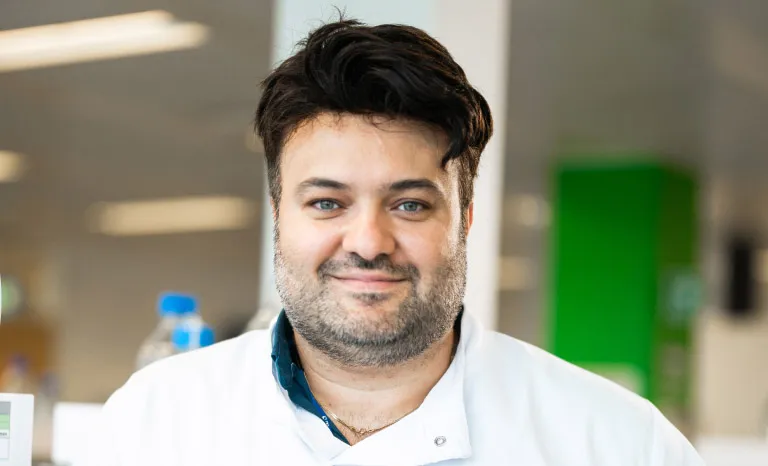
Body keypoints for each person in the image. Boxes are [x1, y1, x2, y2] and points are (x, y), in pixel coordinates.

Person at [85, 19, 704, 465]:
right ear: (279, 215)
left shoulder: (615, 442)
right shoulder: (154, 422)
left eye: (409, 204)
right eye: (327, 202)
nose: (369, 241)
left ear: (463, 219)